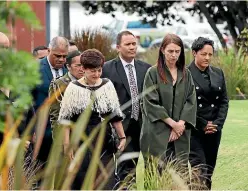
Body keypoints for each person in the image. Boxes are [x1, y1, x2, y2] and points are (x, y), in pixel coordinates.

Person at [58, 49, 126, 190]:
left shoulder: (107, 85)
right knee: (81, 181)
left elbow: (115, 115)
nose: (96, 74)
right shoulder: (73, 88)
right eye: (92, 71)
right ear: (83, 69)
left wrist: (122, 137)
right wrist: (66, 145)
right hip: (80, 140)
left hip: (103, 139)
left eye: (99, 70)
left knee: (105, 180)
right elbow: (65, 120)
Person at [102, 30, 151, 184]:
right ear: (118, 47)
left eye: (134, 44)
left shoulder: (146, 68)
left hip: (146, 127)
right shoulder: (107, 69)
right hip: (123, 128)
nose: (132, 47)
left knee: (154, 167)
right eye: (127, 44)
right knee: (127, 171)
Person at [140, 33, 197, 165]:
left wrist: (180, 125)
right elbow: (150, 103)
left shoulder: (186, 73)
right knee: (157, 173)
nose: (174, 55)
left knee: (179, 174)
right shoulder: (152, 73)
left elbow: (191, 100)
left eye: (177, 51)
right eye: (170, 51)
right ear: (162, 50)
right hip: (157, 133)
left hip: (180, 134)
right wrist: (173, 125)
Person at [188, 37, 229, 190]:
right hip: (194, 130)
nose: (207, 58)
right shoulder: (185, 74)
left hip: (214, 131)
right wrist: (203, 124)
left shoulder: (218, 73)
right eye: (203, 54)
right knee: (199, 171)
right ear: (194, 53)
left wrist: (217, 124)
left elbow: (224, 101)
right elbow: (184, 105)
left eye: (210, 54)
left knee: (209, 171)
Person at [32, 36, 69, 164]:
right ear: (49, 51)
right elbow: (27, 103)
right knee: (40, 176)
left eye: (64, 56)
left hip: (64, 134)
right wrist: (31, 131)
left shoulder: (68, 71)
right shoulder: (35, 69)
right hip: (41, 133)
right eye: (57, 56)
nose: (61, 60)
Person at [49, 50, 83, 140]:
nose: (82, 69)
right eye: (78, 65)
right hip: (68, 136)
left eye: (84, 65)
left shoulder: (89, 82)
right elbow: (55, 115)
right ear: (68, 66)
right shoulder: (59, 84)